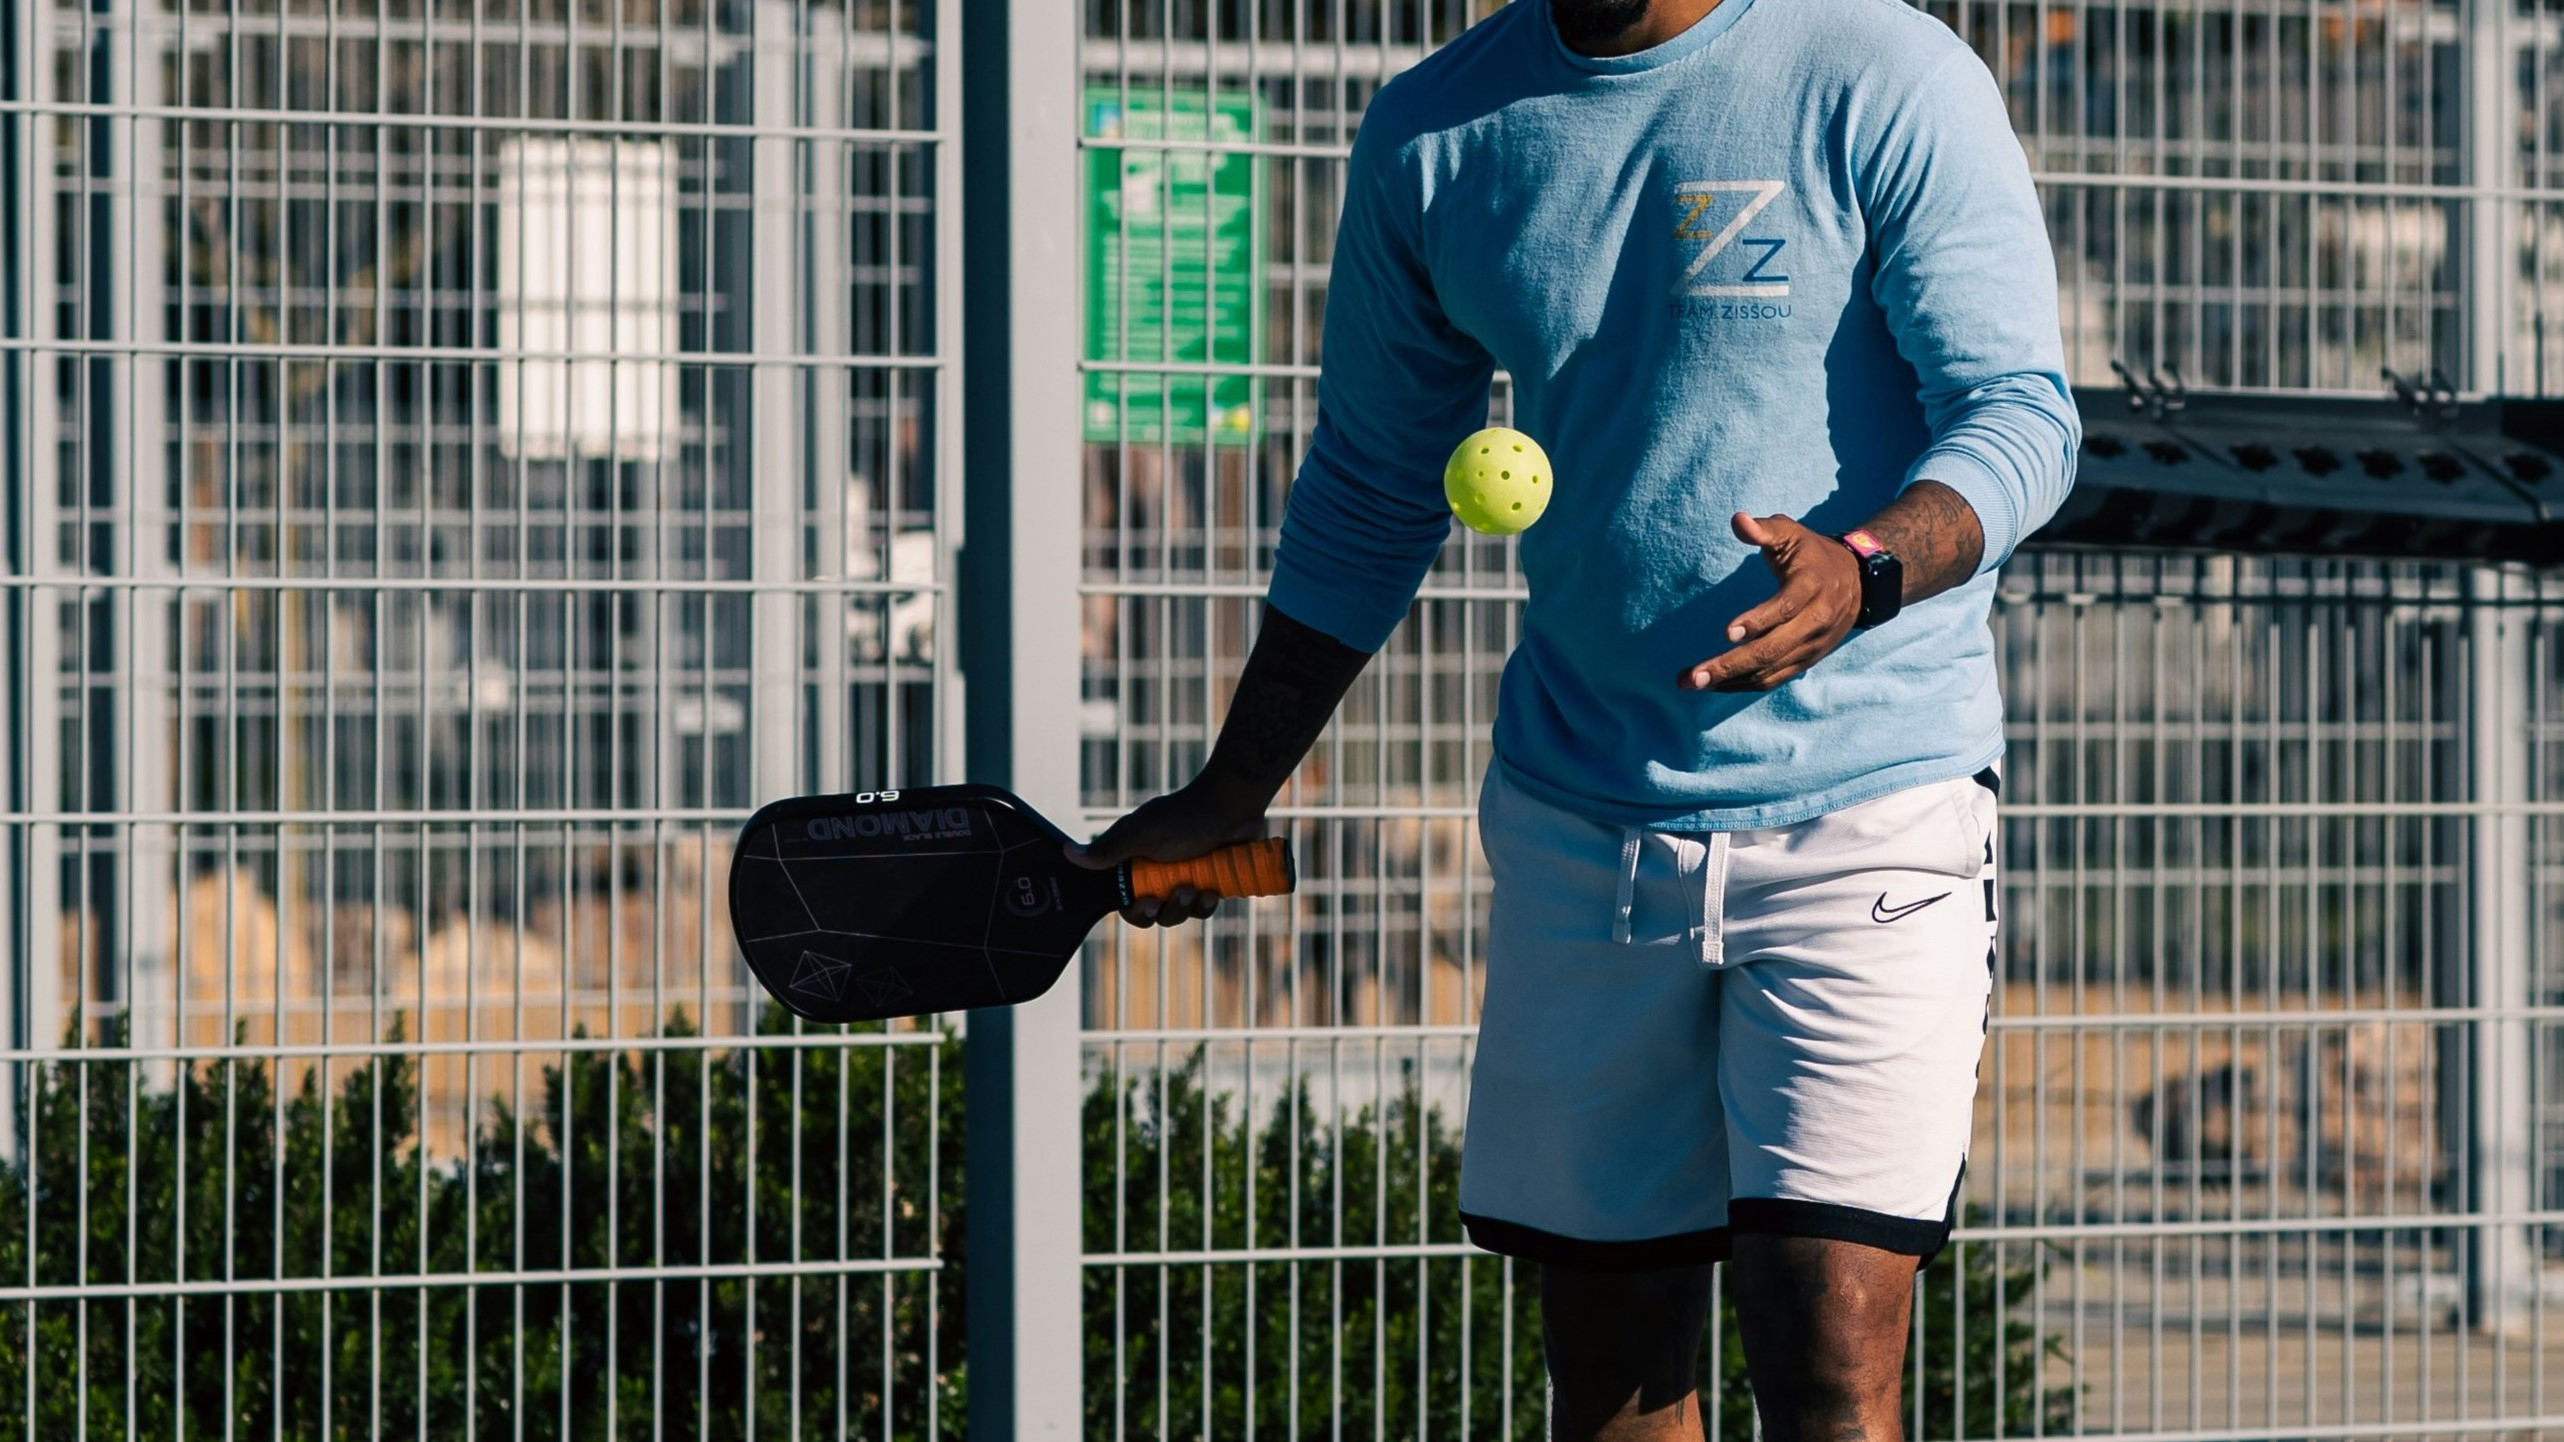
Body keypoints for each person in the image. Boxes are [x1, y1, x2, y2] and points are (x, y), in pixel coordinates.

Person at [1069, 0, 2078, 1436]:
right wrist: (1236, 787)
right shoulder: (1436, 132)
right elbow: (1368, 489)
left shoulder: (1885, 71)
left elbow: (2021, 413)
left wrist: (1864, 570)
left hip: (1874, 809)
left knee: (1829, 1355)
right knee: (1609, 1383)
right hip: (1583, 824)